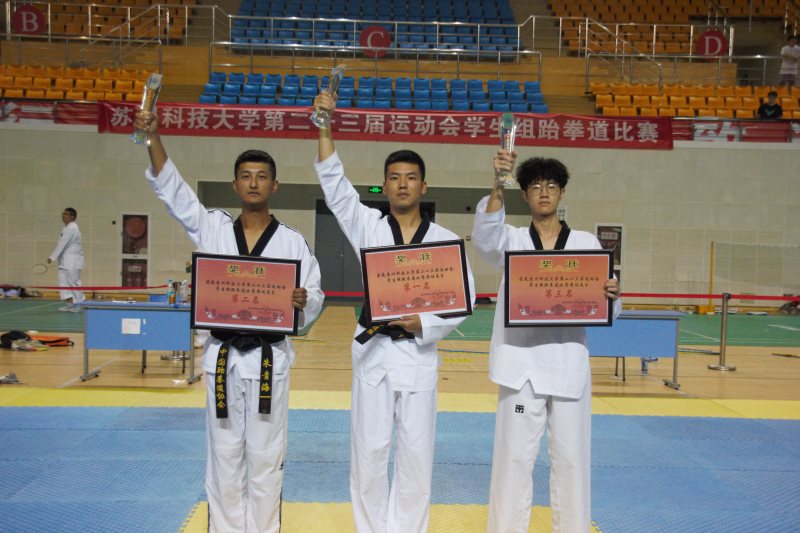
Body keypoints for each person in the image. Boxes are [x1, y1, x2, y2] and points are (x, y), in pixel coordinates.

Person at [133, 110, 324, 533]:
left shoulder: (292, 242)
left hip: (269, 360)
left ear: (274, 185)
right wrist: (153, 137)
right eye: (246, 176)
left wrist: (303, 300)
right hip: (223, 358)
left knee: (266, 457)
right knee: (223, 455)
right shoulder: (213, 228)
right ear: (235, 184)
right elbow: (175, 193)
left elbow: (314, 295)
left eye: (262, 176)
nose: (253, 183)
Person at [312, 92, 475, 533]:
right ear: (384, 186)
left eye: (411, 178)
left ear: (424, 186)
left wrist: (425, 323)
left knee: (416, 456)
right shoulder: (367, 226)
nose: (402, 185)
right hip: (373, 352)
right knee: (368, 452)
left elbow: (465, 299)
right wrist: (325, 126)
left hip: (417, 354)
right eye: (394, 178)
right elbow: (335, 187)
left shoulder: (444, 240)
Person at [472, 151, 622, 533]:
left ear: (562, 193)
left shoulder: (586, 243)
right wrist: (498, 182)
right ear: (524, 194)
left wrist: (611, 295)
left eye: (551, 186)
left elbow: (609, 309)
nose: (544, 192)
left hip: (568, 364)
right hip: (520, 367)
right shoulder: (511, 239)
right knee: (513, 460)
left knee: (572, 461)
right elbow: (484, 238)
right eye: (536, 186)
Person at [48, 207, 84, 312]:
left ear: (73, 217)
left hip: (73, 261)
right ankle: (70, 303)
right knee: (63, 282)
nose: (64, 215)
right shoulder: (65, 228)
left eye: (67, 214)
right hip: (64, 261)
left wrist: (52, 256)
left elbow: (63, 243)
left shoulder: (73, 227)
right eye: (63, 213)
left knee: (74, 282)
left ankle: (79, 304)